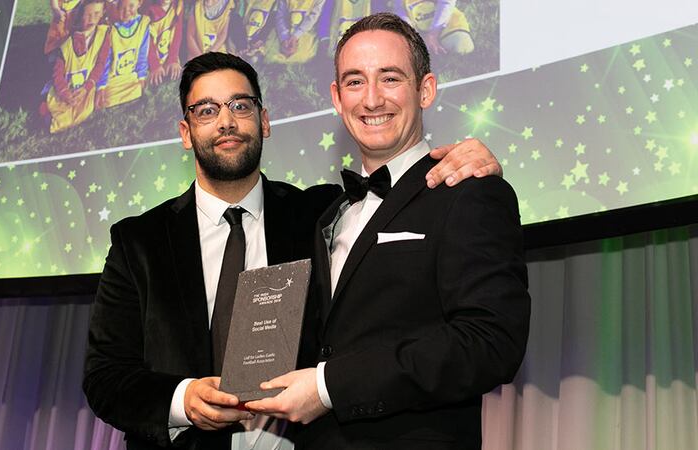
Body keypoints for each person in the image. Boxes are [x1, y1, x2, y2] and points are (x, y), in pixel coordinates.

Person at [82, 52, 503, 449]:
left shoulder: (320, 213)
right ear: (186, 133)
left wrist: (472, 158)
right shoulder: (138, 241)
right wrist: (183, 398)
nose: (226, 122)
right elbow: (105, 376)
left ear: (264, 121)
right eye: (206, 111)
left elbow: (395, 201)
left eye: (240, 106)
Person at [246, 13, 530, 450]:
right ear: (337, 99)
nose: (372, 99)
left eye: (390, 78)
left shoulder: (467, 193)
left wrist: (327, 387)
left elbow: (490, 343)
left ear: (426, 89)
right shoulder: (326, 214)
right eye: (355, 82)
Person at [43, 0, 109, 133]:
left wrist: (88, 87)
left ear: (103, 13)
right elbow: (58, 72)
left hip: (84, 88)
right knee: (58, 107)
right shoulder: (67, 42)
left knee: (85, 111)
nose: (92, 19)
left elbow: (100, 64)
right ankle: (46, 112)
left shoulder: (103, 35)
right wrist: (64, 92)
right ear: (80, 16)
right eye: (88, 15)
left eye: (97, 14)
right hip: (66, 86)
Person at [95, 0, 158, 108]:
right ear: (117, 7)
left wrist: (141, 76)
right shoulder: (111, 30)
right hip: (114, 78)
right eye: (122, 7)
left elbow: (142, 54)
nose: (126, 11)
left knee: (138, 88)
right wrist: (102, 85)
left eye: (131, 6)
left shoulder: (143, 24)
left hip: (131, 76)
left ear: (140, 3)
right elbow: (105, 59)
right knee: (107, 97)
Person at [402, 0, 474, 55]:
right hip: (418, 27)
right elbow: (401, 11)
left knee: (462, 47)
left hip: (448, 24)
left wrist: (433, 34)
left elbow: (446, 4)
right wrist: (413, 36)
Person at [146, 0, 185, 85]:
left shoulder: (178, 5)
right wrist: (154, 65)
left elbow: (177, 33)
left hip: (168, 55)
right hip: (149, 60)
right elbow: (146, 40)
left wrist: (173, 59)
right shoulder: (147, 9)